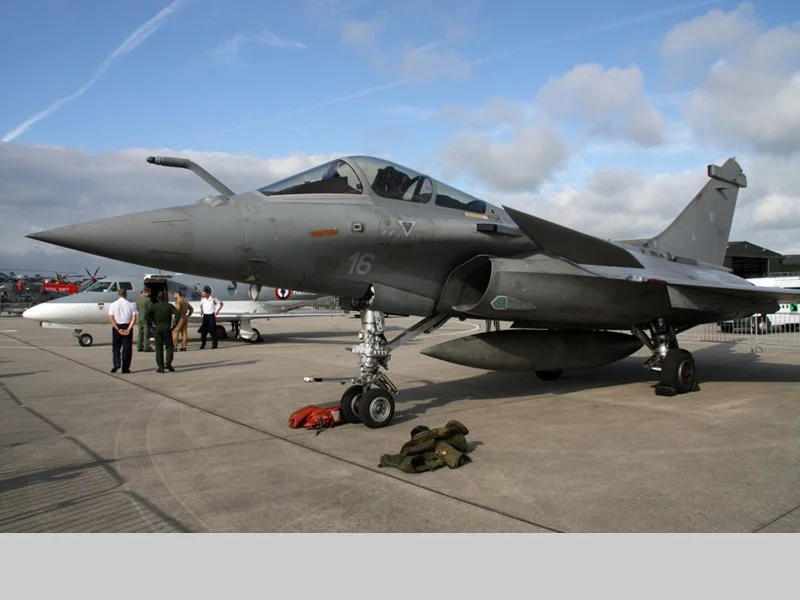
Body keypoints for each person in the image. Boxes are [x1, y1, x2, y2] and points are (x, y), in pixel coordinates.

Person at [148, 290, 180, 372]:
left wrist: (151, 325)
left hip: (157, 328)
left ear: (157, 298)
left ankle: (161, 367)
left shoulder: (153, 306)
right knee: (169, 346)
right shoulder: (169, 306)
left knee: (159, 348)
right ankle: (168, 363)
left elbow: (145, 315)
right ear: (165, 298)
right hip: (167, 328)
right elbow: (177, 314)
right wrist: (174, 324)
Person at [107, 288, 137, 373]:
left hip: (117, 326)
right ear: (126, 294)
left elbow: (111, 318)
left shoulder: (113, 304)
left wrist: (117, 329)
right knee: (127, 349)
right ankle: (125, 368)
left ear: (118, 294)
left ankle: (116, 363)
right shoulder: (131, 305)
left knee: (116, 347)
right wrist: (129, 329)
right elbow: (134, 318)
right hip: (127, 326)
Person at [136, 287, 153, 352]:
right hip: (146, 318)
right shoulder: (148, 300)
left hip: (140, 317)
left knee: (140, 332)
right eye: (149, 293)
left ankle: (139, 346)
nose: (149, 294)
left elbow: (137, 308)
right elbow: (150, 309)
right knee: (146, 333)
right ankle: (146, 347)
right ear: (146, 292)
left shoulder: (138, 300)